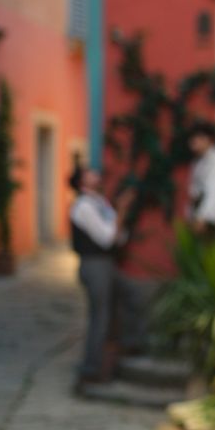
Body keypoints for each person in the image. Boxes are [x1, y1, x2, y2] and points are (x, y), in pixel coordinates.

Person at [69, 166, 133, 387]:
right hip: (95, 264)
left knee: (117, 304)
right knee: (100, 315)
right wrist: (122, 210)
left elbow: (119, 237)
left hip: (106, 263)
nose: (95, 173)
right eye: (88, 172)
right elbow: (108, 238)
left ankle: (109, 359)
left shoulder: (100, 203)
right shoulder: (84, 206)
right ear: (81, 182)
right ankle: (92, 368)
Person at [186, 122, 215, 237]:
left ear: (210, 140)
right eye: (193, 137)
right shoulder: (199, 161)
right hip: (198, 214)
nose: (195, 140)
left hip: (209, 220)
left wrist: (203, 217)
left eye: (200, 137)